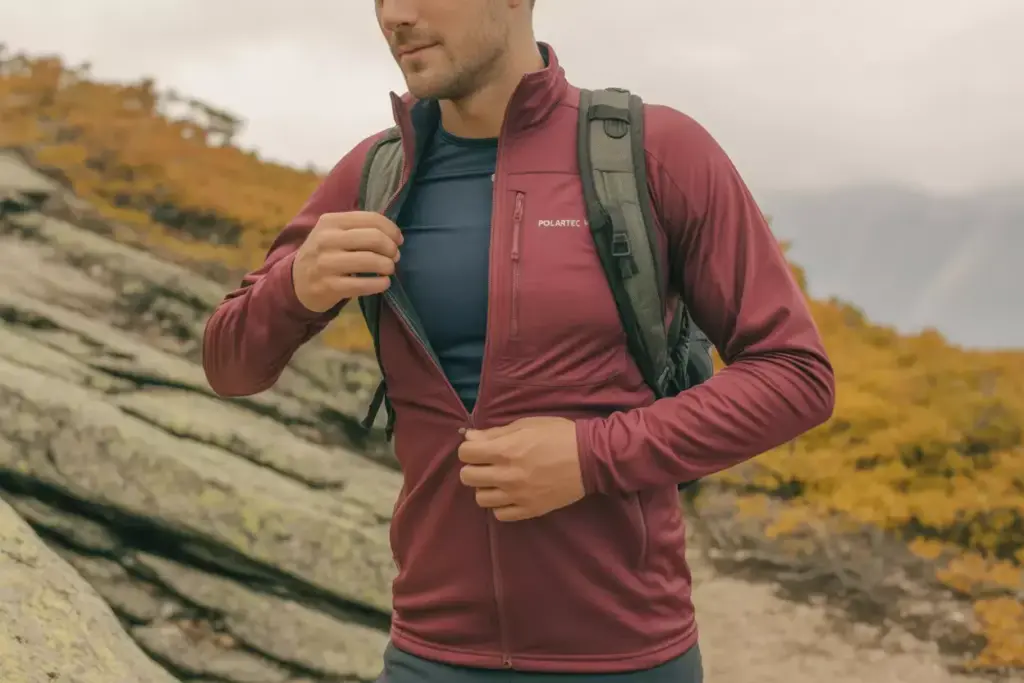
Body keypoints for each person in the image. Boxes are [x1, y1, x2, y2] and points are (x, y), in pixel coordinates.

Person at [202, 0, 836, 681]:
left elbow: (796, 375)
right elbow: (229, 366)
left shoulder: (654, 152)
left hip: (627, 656)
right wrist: (294, 287)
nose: (396, 16)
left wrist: (591, 457)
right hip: (429, 654)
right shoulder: (377, 174)